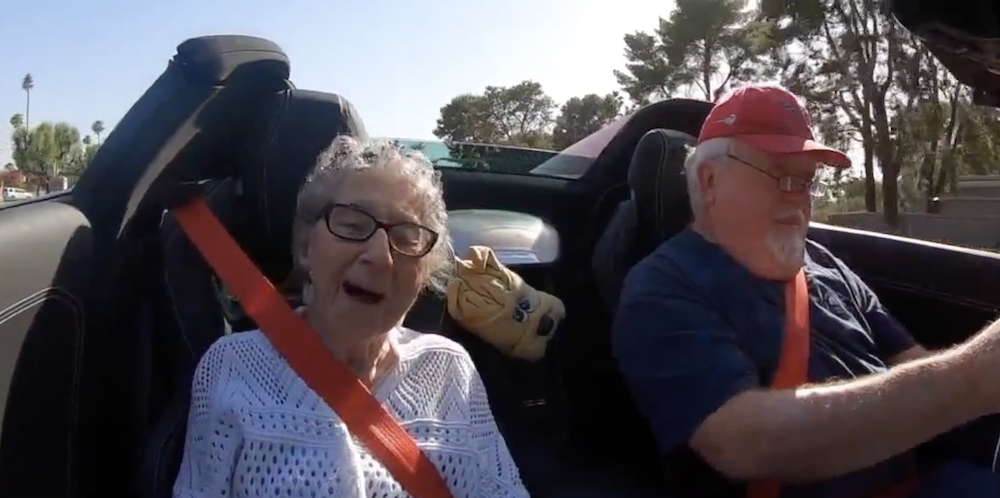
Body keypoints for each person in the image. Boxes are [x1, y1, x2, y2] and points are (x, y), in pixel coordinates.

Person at [611, 83, 1000, 498]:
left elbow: (912, 363)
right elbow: (741, 443)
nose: (799, 199)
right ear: (709, 181)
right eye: (781, 175)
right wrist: (974, 379)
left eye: (806, 181)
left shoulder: (824, 261)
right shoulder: (662, 287)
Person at [172, 136, 529, 498]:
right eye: (353, 225)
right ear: (308, 247)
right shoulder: (231, 364)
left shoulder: (449, 368)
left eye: (407, 238)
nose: (381, 256)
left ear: (424, 274)